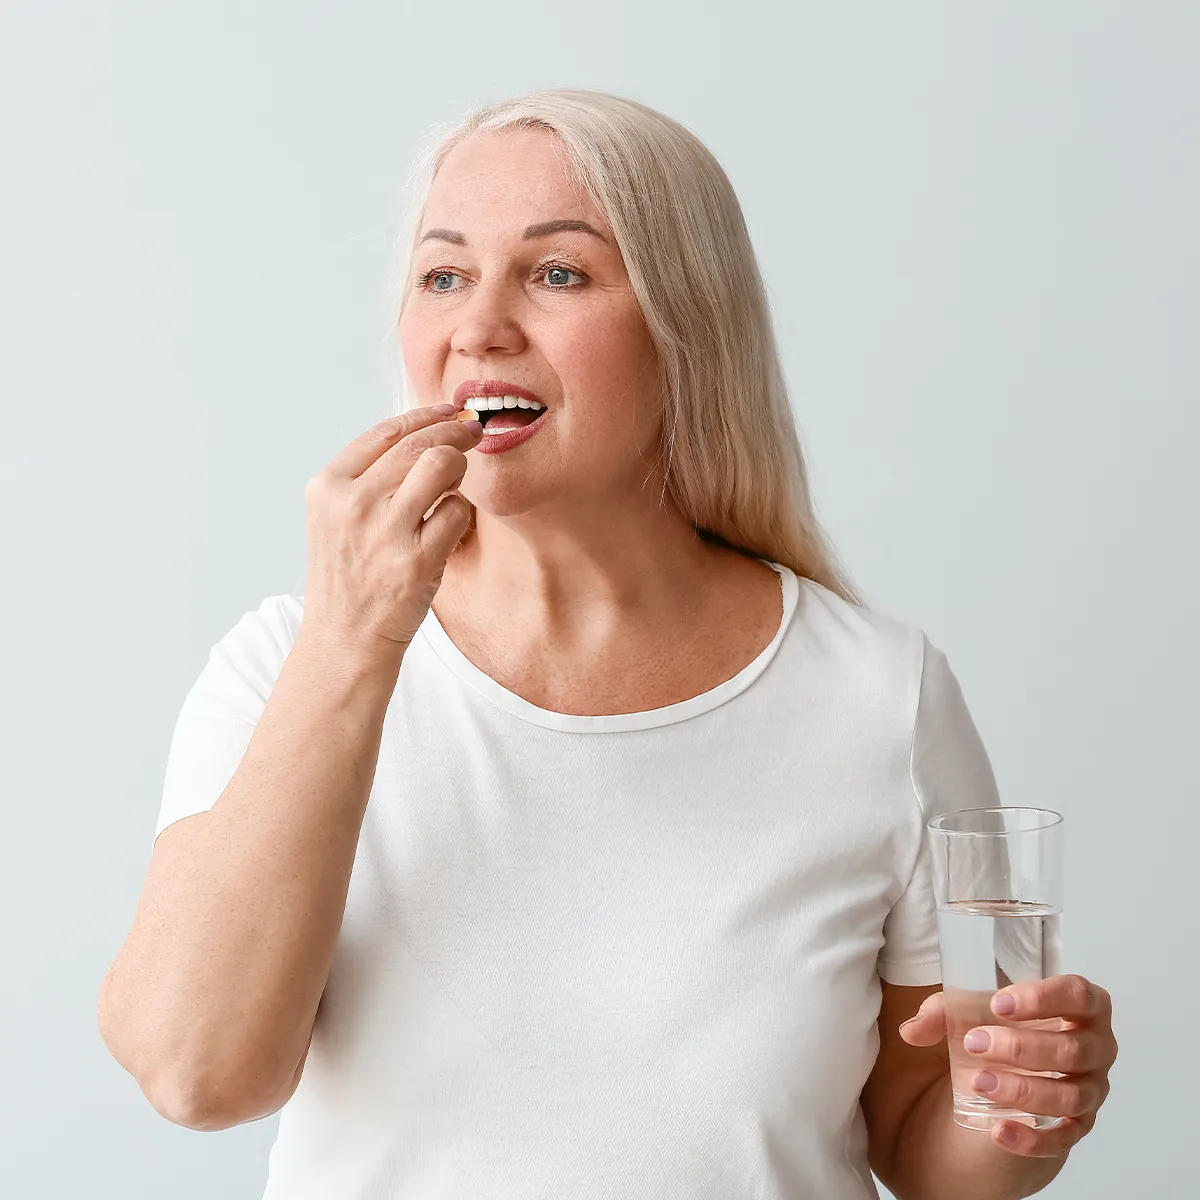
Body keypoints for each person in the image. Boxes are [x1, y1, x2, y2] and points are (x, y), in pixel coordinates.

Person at [97, 89, 1116, 1199]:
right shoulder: (287, 663)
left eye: (557, 273)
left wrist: (1020, 1112)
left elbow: (926, 1132)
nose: (478, 325)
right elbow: (196, 1075)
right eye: (444, 275)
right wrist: (353, 645)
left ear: (688, 328)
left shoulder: (877, 693)